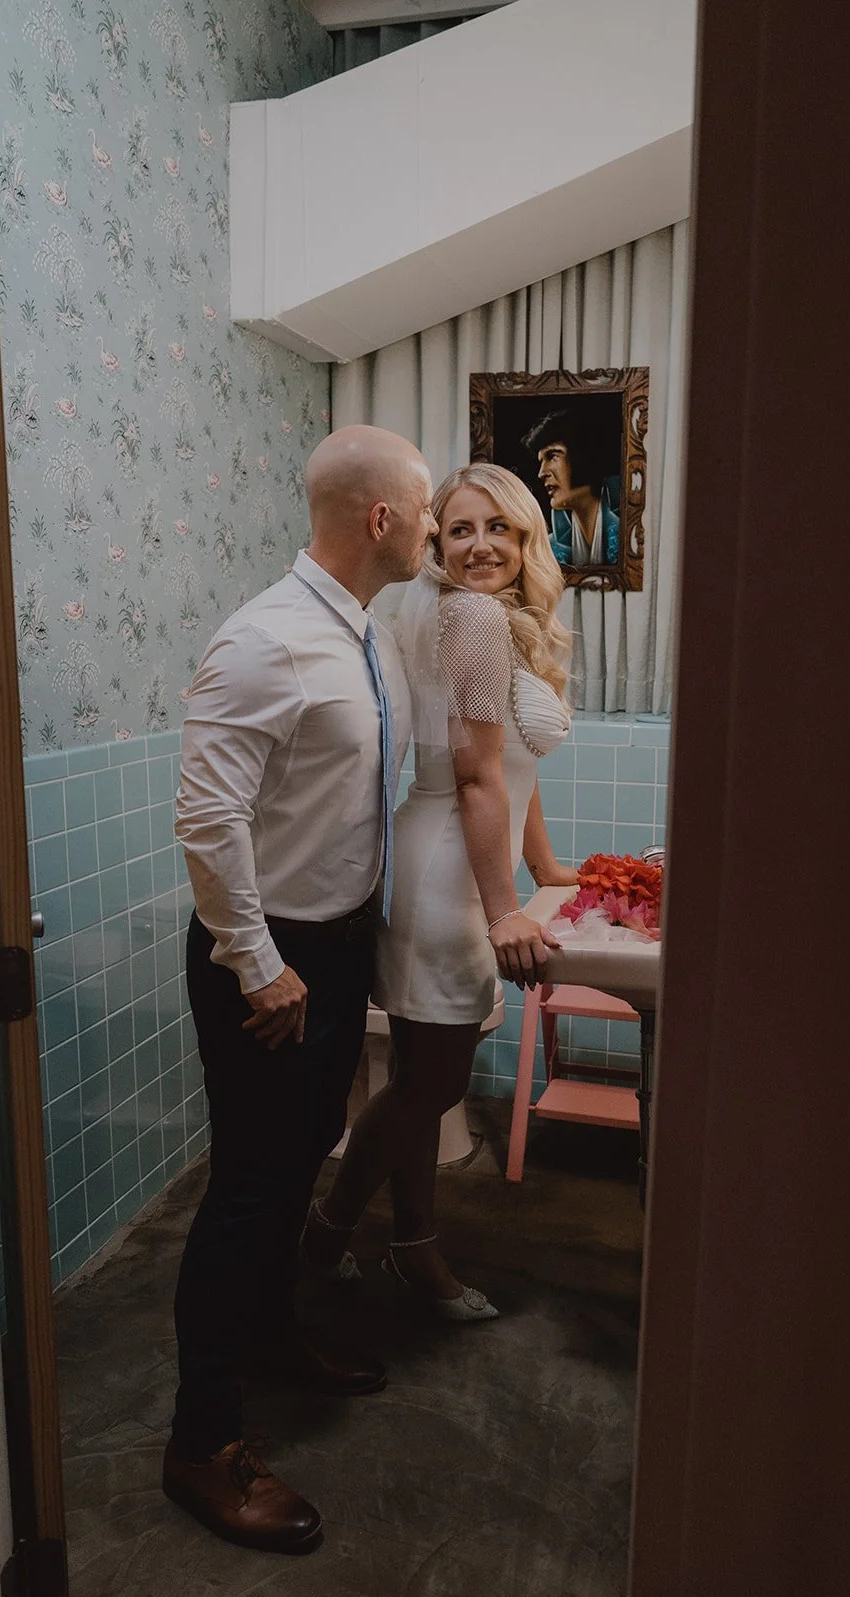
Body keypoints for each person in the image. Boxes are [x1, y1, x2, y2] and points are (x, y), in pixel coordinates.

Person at [163, 424, 437, 1555]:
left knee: (300, 1156)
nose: (431, 527)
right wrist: (257, 959)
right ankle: (201, 1442)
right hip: (265, 961)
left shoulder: (362, 635)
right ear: (381, 517)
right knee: (247, 1188)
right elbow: (206, 813)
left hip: (331, 948)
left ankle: (271, 1331)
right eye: (425, 508)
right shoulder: (265, 640)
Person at [300, 462, 578, 1318]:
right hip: (450, 871)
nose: (480, 546)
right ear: (435, 540)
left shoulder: (454, 611)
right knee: (430, 1087)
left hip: (447, 857)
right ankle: (323, 1237)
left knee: (421, 1078)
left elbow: (508, 770)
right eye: (459, 529)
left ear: (526, 538)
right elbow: (474, 778)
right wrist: (503, 911)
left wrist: (546, 870)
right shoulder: (471, 617)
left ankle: (412, 1247)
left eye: (499, 528)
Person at [522, 407, 621, 567]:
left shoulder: (630, 536)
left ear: (584, 454)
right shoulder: (549, 550)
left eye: (552, 456)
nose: (542, 473)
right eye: (541, 462)